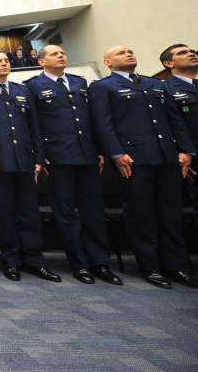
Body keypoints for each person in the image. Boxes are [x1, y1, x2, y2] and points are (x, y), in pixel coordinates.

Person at [88, 46, 197, 289]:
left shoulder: (156, 84)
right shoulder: (103, 87)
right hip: (133, 159)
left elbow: (174, 120)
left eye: (131, 51)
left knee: (171, 214)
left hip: (167, 157)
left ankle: (177, 266)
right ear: (108, 62)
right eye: (121, 53)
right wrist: (116, 153)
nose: (129, 54)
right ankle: (151, 267)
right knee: (141, 215)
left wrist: (186, 150)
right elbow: (102, 123)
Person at [22, 46, 121, 285]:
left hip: (86, 154)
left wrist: (98, 150)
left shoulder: (80, 82)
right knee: (66, 213)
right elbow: (32, 125)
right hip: (56, 157)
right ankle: (79, 263)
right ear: (41, 61)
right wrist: (40, 155)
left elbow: (91, 119)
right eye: (55, 54)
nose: (61, 55)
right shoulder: (32, 86)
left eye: (63, 52)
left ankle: (100, 263)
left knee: (94, 212)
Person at [0, 51, 61, 283]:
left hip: (25, 161)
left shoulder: (22, 91)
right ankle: (10, 261)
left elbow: (34, 129)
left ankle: (34, 260)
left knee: (30, 213)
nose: (4, 63)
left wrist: (38, 159)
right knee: (6, 214)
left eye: (6, 60)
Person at [159, 44, 198, 225]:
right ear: (169, 63)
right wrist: (181, 155)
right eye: (183, 53)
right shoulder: (164, 90)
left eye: (192, 51)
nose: (191, 54)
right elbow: (169, 127)